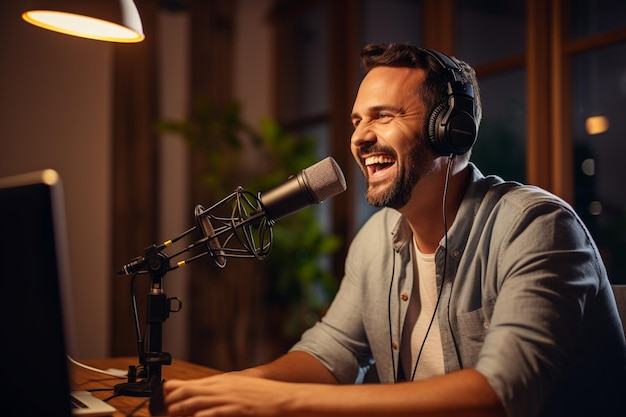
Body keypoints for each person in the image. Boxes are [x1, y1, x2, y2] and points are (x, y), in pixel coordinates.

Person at [162, 43, 626, 417]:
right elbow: (331, 353)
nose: (359, 138)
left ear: (451, 132)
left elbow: (500, 395)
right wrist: (225, 387)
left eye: (383, 116)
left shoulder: (537, 226)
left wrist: (283, 403)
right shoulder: (375, 239)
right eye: (357, 120)